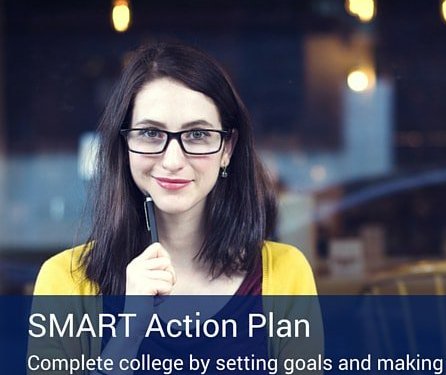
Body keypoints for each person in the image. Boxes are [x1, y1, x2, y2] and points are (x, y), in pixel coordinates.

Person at [33, 42, 317, 297]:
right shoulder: (63, 281)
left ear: (227, 149)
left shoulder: (285, 274)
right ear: (125, 145)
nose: (172, 161)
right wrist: (130, 329)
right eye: (150, 133)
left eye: (197, 135)